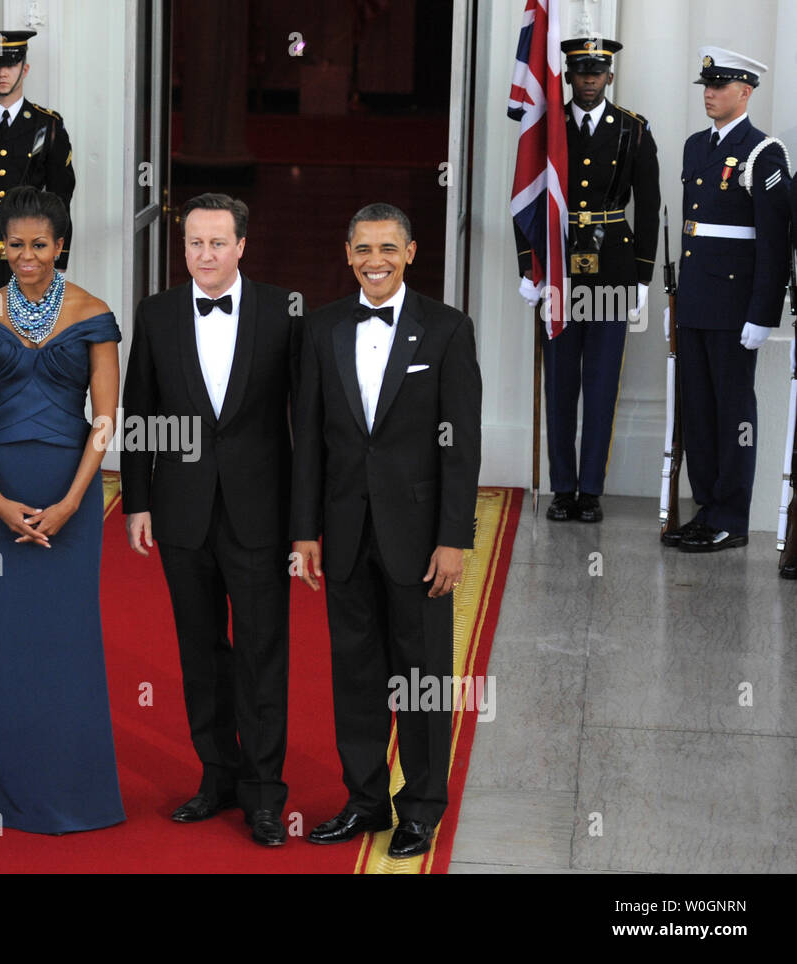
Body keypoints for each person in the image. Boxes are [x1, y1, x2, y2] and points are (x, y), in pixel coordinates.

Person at [291, 203, 481, 859]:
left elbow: (462, 447)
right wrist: (305, 531)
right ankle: (365, 800)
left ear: (411, 251)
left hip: (421, 538)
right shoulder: (320, 329)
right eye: (364, 248)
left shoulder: (448, 330)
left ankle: (422, 807)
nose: (376, 260)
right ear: (348, 253)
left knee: (423, 678)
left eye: (388, 248)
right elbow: (308, 439)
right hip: (344, 534)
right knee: (358, 676)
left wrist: (454, 537)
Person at [121, 193, 298, 848]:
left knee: (262, 654)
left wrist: (304, 522)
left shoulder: (285, 311)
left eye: (218, 242)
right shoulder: (158, 312)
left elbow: (303, 427)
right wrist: (137, 500)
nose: (205, 255)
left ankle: (263, 794)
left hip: (261, 514)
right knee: (200, 653)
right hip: (182, 513)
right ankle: (216, 775)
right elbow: (139, 411)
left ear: (243, 245)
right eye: (195, 243)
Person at [0, 186, 123, 834]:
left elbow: (104, 420)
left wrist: (74, 502)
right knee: (0, 640)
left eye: (38, 244)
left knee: (67, 639)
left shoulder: (95, 314)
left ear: (60, 245)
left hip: (69, 493)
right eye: (14, 244)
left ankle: (73, 791)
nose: (26, 256)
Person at [516, 38, 658, 523]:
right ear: (568, 76)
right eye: (580, 72)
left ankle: (590, 489)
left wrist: (642, 278)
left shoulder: (633, 131)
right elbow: (527, 198)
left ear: (609, 77)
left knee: (600, 384)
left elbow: (650, 207)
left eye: (597, 71)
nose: (589, 79)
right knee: (560, 381)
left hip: (613, 269)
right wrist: (526, 267)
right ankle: (562, 488)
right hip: (559, 267)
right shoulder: (548, 130)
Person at [661, 47, 792, 553]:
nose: (710, 94)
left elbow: (774, 242)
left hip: (736, 308)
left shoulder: (764, 152)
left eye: (720, 86)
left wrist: (764, 314)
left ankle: (732, 516)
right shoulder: (697, 146)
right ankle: (706, 509)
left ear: (746, 91)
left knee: (734, 412)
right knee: (698, 411)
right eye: (706, 86)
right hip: (695, 301)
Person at [0, 29, 75, 306]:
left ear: (24, 69)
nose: (3, 73)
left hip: (31, 246)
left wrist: (60, 258)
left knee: (30, 330)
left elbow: (61, 197)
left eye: (10, 65)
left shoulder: (46, 125)